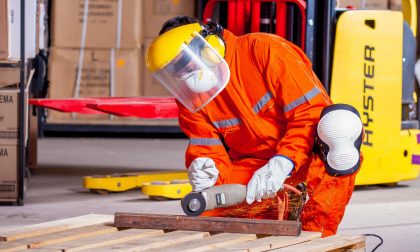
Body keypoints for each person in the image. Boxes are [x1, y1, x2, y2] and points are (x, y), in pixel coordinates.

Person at [145, 16, 363, 237]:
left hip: (306, 155)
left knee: (340, 127)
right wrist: (204, 168)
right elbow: (206, 146)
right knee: (205, 208)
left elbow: (310, 113)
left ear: (208, 47)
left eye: (185, 65)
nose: (184, 77)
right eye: (175, 72)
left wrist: (283, 162)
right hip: (255, 168)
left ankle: (316, 236)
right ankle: (281, 208)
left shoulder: (266, 50)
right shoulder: (191, 98)